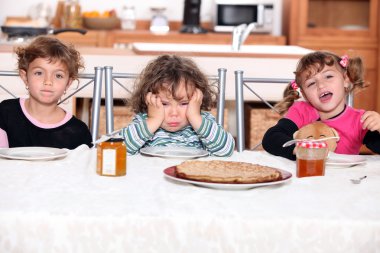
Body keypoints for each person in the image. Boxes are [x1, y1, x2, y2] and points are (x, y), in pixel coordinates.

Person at [262, 51, 380, 160]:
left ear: (346, 80)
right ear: (305, 94)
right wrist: (300, 150)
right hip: (307, 178)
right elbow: (271, 138)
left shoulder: (359, 120)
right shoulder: (301, 111)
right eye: (311, 83)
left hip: (344, 180)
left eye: (328, 76)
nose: (321, 85)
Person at [122, 54, 235, 156]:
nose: (174, 113)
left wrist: (195, 117)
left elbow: (226, 150)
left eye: (184, 103)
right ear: (149, 100)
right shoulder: (144, 122)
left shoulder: (203, 122)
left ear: (198, 100)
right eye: (164, 104)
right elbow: (118, 150)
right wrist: (154, 120)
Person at [0, 36, 92, 149]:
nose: (48, 82)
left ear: (68, 83)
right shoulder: (5, 112)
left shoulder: (78, 131)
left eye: (58, 75)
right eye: (39, 73)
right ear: (25, 77)